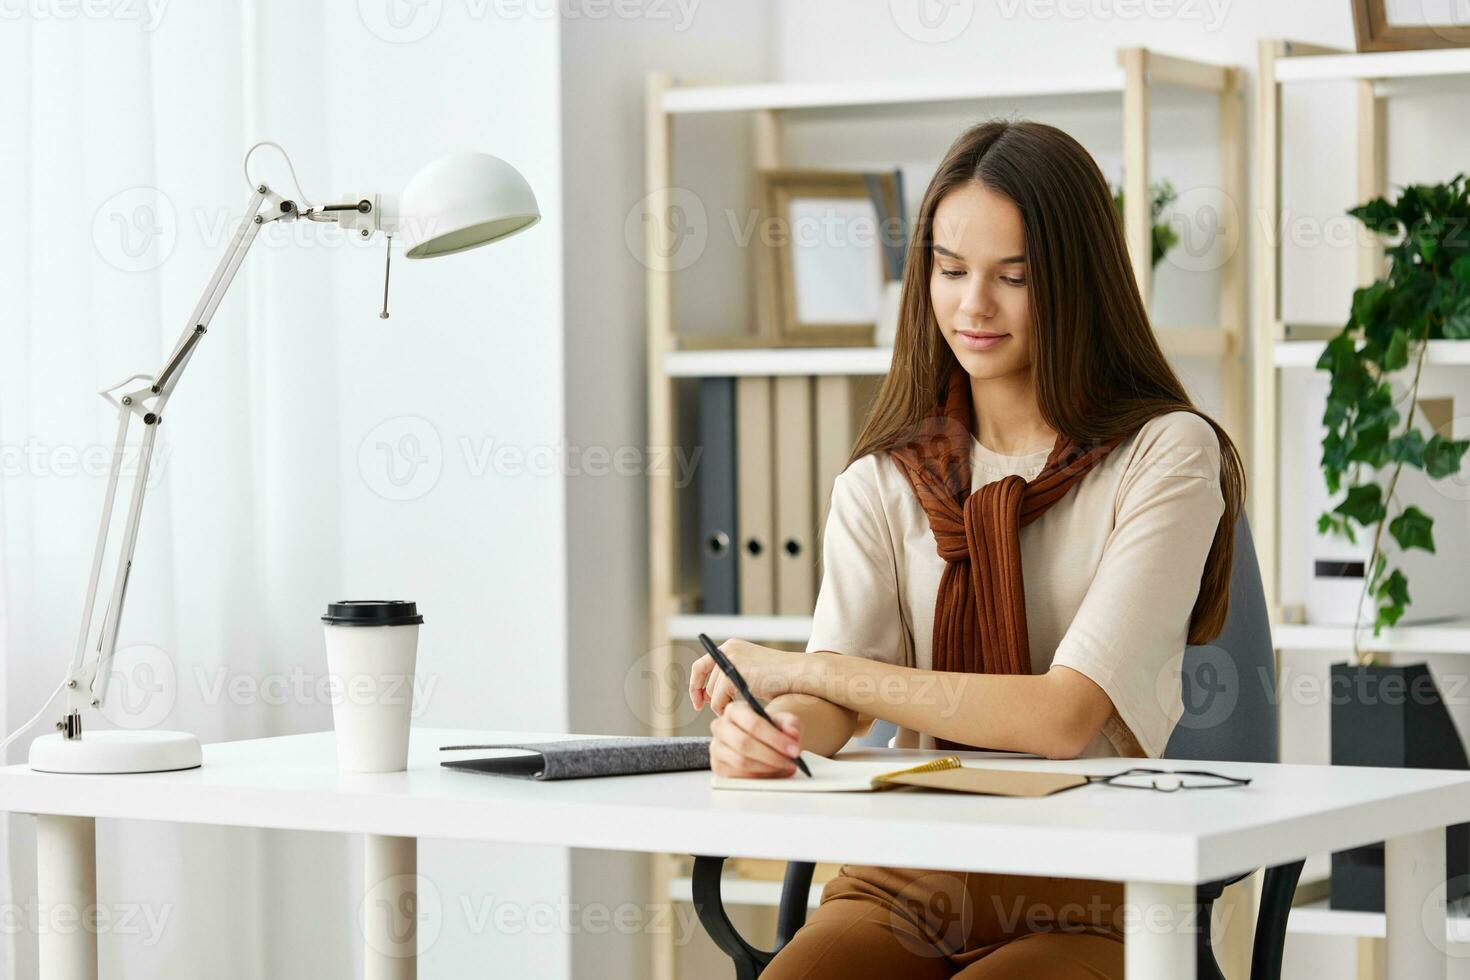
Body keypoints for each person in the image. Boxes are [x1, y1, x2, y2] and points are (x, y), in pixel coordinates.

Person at [686, 119, 1245, 979]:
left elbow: (1063, 719)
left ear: (1078, 284)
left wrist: (805, 670)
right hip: (904, 879)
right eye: (950, 271)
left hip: (1086, 892)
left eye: (1013, 278)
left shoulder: (1164, 454)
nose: (972, 306)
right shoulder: (885, 478)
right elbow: (842, 705)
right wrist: (774, 730)